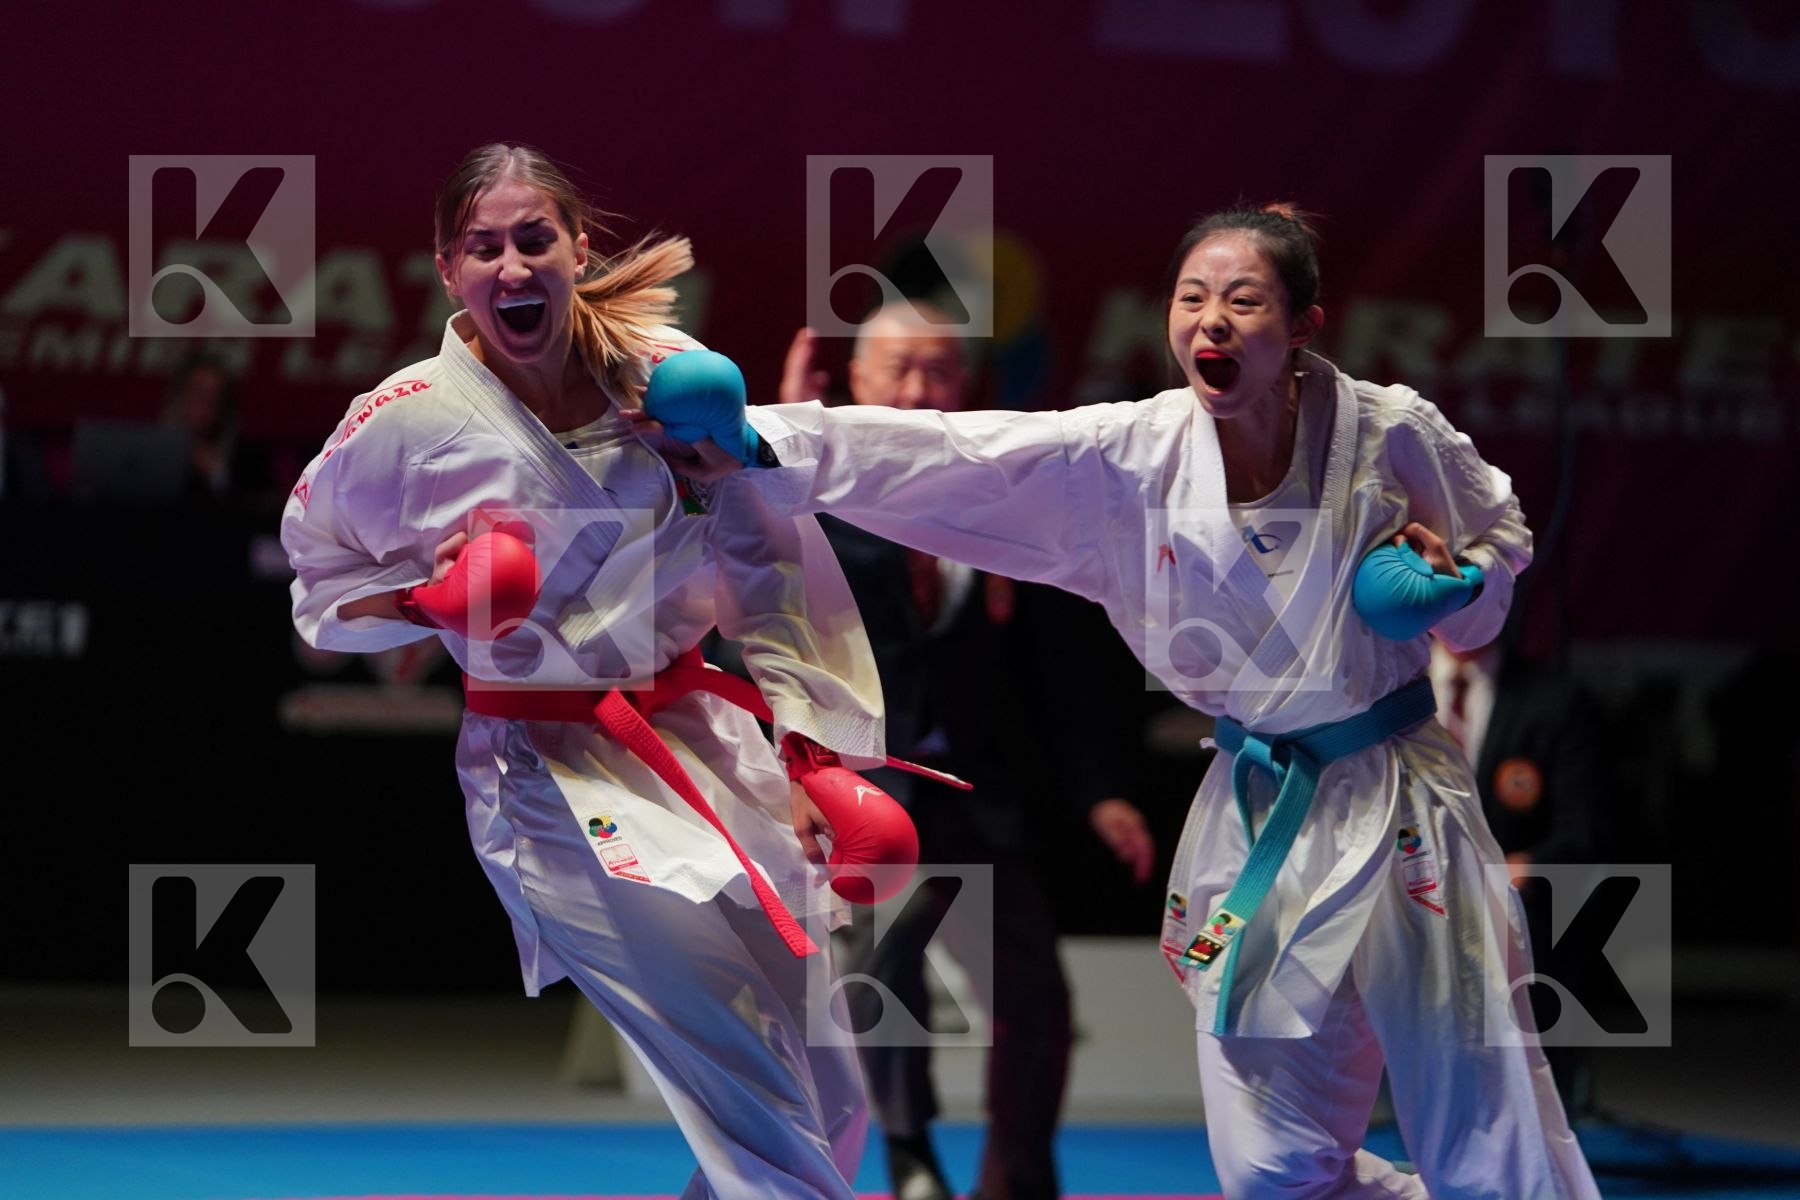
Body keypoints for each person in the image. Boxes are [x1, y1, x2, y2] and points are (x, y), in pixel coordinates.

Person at [646, 204, 1600, 1198]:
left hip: (1404, 802)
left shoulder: (1390, 433)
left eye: (1244, 301)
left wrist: (1461, 588)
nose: (1211, 323)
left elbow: (1499, 549)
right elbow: (958, 457)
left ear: (1306, 326)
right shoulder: (1133, 457)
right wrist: (759, 439)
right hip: (1270, 806)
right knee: (1275, 1165)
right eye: (1192, 299)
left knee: (1484, 1124)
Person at [280, 143, 888, 1200]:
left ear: (577, 248)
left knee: (833, 1100)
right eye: (485, 248)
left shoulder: (664, 377)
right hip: (549, 780)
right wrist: (423, 602)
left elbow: (767, 554)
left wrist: (811, 741)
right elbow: (314, 594)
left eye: (534, 239)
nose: (513, 267)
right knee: (749, 1098)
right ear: (447, 268)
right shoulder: (408, 419)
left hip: (703, 748)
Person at [778, 304, 1154, 1200]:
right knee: (880, 978)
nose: (917, 389)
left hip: (982, 796)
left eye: (938, 370)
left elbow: (1061, 669)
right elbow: (760, 623)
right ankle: (909, 1153)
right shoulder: (803, 492)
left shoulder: (1004, 497)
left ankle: (1018, 1181)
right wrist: (784, 461)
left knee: (1035, 1001)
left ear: (965, 384)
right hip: (868, 793)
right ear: (855, 383)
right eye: (898, 368)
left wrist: (1102, 790)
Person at [1429, 633, 1610, 1114]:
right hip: (1406, 890)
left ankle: (1537, 1128)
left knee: (1546, 908)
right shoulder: (1384, 687)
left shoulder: (1556, 702)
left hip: (1511, 906)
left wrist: (1523, 866)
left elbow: (1584, 832)